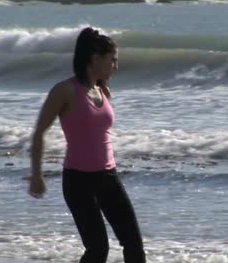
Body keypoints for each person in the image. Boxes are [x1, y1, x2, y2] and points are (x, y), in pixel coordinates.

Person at [28, 27, 147, 263]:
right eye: (112, 60)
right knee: (97, 250)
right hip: (78, 181)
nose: (115, 66)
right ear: (95, 58)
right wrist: (37, 175)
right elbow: (39, 132)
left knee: (133, 244)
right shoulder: (65, 91)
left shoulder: (103, 90)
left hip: (108, 177)